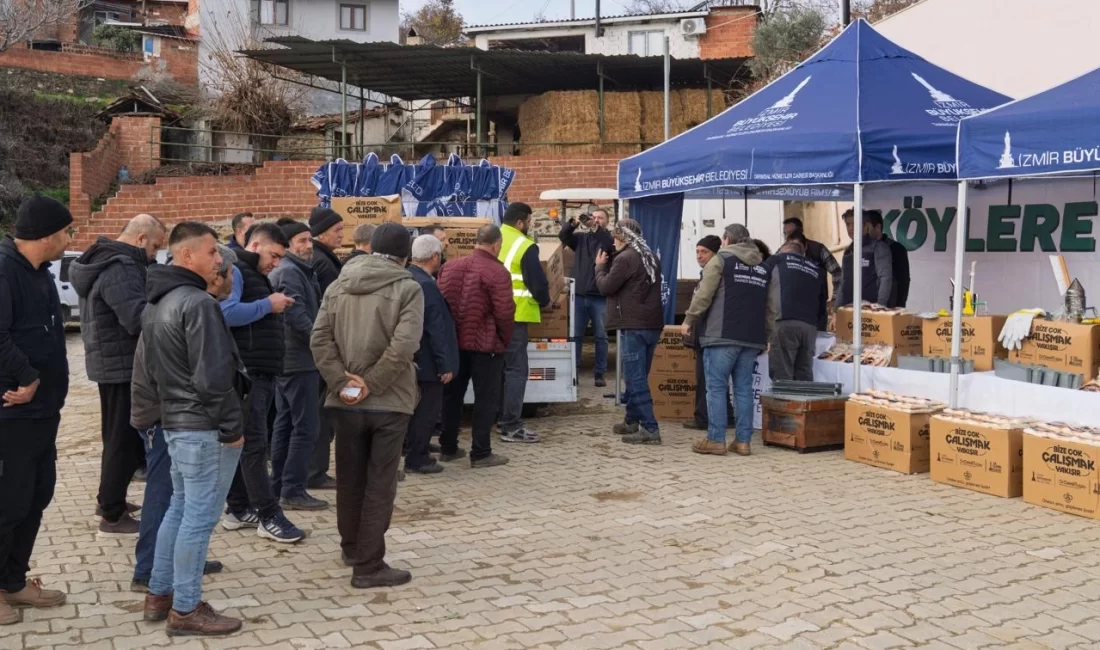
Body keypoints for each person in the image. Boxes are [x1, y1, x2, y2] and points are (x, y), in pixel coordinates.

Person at [137, 222, 244, 637]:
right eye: (213, 252)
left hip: (177, 424)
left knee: (179, 509)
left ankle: (159, 594)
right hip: (201, 427)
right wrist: (233, 427)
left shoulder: (158, 303)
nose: (219, 260)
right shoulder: (197, 303)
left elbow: (151, 373)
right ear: (187, 256)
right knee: (197, 517)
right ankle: (185, 608)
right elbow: (213, 377)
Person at [311, 222, 424, 589]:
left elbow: (319, 339)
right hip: (388, 402)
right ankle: (369, 565)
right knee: (379, 483)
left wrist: (343, 383)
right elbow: (404, 346)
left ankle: (352, 547)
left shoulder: (338, 284)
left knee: (350, 478)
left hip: (344, 401)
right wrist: (371, 384)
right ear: (405, 255)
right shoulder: (409, 288)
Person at [0, 195, 72, 625]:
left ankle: (13, 581)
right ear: (47, 235)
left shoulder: (41, 273)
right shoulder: (4, 270)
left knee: (36, 496)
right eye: (66, 232)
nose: (69, 239)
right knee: (7, 503)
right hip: (13, 413)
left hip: (44, 412)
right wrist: (27, 377)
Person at [70, 214, 166, 536]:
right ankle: (112, 514)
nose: (154, 255)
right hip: (124, 366)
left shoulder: (105, 260)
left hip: (112, 364)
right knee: (123, 441)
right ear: (140, 239)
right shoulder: (120, 267)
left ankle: (110, 501)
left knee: (116, 438)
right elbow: (136, 319)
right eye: (154, 247)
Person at [218, 223, 304, 543]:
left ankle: (238, 508)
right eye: (274, 255)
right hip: (249, 373)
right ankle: (268, 515)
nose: (276, 263)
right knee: (255, 446)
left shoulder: (254, 274)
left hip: (258, 372)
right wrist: (270, 304)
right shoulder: (239, 271)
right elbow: (226, 312)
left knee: (248, 444)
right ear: (255, 246)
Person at [684, 224, 778, 458]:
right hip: (751, 337)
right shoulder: (764, 267)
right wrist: (767, 335)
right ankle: (743, 442)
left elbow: (704, 294)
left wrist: (689, 319)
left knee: (716, 387)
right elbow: (771, 307)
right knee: (744, 389)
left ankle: (716, 440)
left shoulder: (721, 260)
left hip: (721, 335)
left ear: (726, 240)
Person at [438, 225, 515, 469]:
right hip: (486, 345)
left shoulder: (449, 267)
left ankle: (448, 447)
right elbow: (504, 312)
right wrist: (504, 339)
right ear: (495, 244)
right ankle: (481, 452)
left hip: (455, 343)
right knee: (486, 399)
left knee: (451, 397)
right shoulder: (497, 271)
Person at [269, 219, 327, 511]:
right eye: (301, 241)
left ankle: (279, 486)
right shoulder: (290, 272)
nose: (308, 246)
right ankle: (292, 489)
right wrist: (323, 344)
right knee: (303, 427)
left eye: (309, 240)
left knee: (287, 425)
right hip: (298, 361)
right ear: (289, 244)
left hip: (292, 360)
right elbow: (297, 318)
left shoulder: (299, 270)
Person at [595, 219, 665, 445]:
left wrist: (599, 267)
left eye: (615, 237)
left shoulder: (625, 258)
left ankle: (650, 428)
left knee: (634, 379)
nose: (613, 242)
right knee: (639, 376)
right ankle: (632, 420)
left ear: (623, 237)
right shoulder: (650, 256)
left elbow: (606, 287)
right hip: (651, 324)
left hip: (633, 325)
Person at [404, 235, 458, 475]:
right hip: (427, 361)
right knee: (426, 412)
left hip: (414, 358)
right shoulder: (426, 284)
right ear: (434, 257)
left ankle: (412, 449)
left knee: (415, 410)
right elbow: (435, 328)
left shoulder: (408, 276)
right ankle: (418, 457)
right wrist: (444, 364)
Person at [497, 203, 551, 444]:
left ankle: (498, 418)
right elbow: (537, 284)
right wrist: (546, 301)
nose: (530, 226)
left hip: (494, 316)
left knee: (498, 371)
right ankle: (511, 425)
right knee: (516, 371)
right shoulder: (525, 245)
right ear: (520, 222)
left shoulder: (493, 238)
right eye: (529, 221)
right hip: (517, 316)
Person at [307, 207, 344, 491]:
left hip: (322, 345)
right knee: (322, 413)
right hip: (324, 347)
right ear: (322, 233)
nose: (342, 235)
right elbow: (331, 308)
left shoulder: (322, 258)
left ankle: (316, 469)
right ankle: (315, 471)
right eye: (337, 230)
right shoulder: (324, 263)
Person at [559, 207, 614, 388]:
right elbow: (564, 237)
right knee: (575, 336)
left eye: (600, 218)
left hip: (599, 295)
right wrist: (573, 223)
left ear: (607, 221)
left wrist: (594, 227)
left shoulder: (609, 239)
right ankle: (573, 371)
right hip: (580, 295)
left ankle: (600, 373)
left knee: (601, 336)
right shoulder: (582, 239)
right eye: (594, 217)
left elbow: (607, 242)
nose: (596, 220)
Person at [684, 236, 733, 432]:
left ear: (714, 253)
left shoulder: (714, 272)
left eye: (704, 252)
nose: (699, 256)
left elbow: (704, 301)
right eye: (697, 251)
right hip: (707, 332)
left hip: (709, 333)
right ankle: (726, 415)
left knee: (706, 379)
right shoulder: (706, 273)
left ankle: (703, 418)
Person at [766, 233, 826, 382]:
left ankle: (784, 404)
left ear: (783, 250)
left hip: (784, 321)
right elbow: (822, 301)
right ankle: (803, 404)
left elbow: (761, 285)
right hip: (809, 327)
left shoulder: (776, 260)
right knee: (804, 375)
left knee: (782, 374)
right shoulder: (816, 269)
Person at [783, 216, 841, 320]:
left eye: (790, 232)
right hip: (792, 311)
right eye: (785, 233)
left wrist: (835, 299)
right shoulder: (782, 251)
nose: (787, 237)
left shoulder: (818, 249)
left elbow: (837, 272)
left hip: (817, 309)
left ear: (800, 231)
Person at [838, 209, 894, 308]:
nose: (850, 228)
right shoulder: (848, 251)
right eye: (848, 224)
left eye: (854, 223)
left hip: (871, 310)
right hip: (848, 310)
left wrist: (880, 306)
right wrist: (836, 311)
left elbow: (885, 278)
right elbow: (843, 283)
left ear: (865, 226)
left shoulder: (878, 247)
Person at [867, 213, 911, 308]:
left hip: (890, 307)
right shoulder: (860, 249)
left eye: (867, 227)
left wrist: (899, 306)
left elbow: (904, 281)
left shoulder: (896, 248)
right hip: (867, 306)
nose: (863, 231)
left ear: (878, 227)